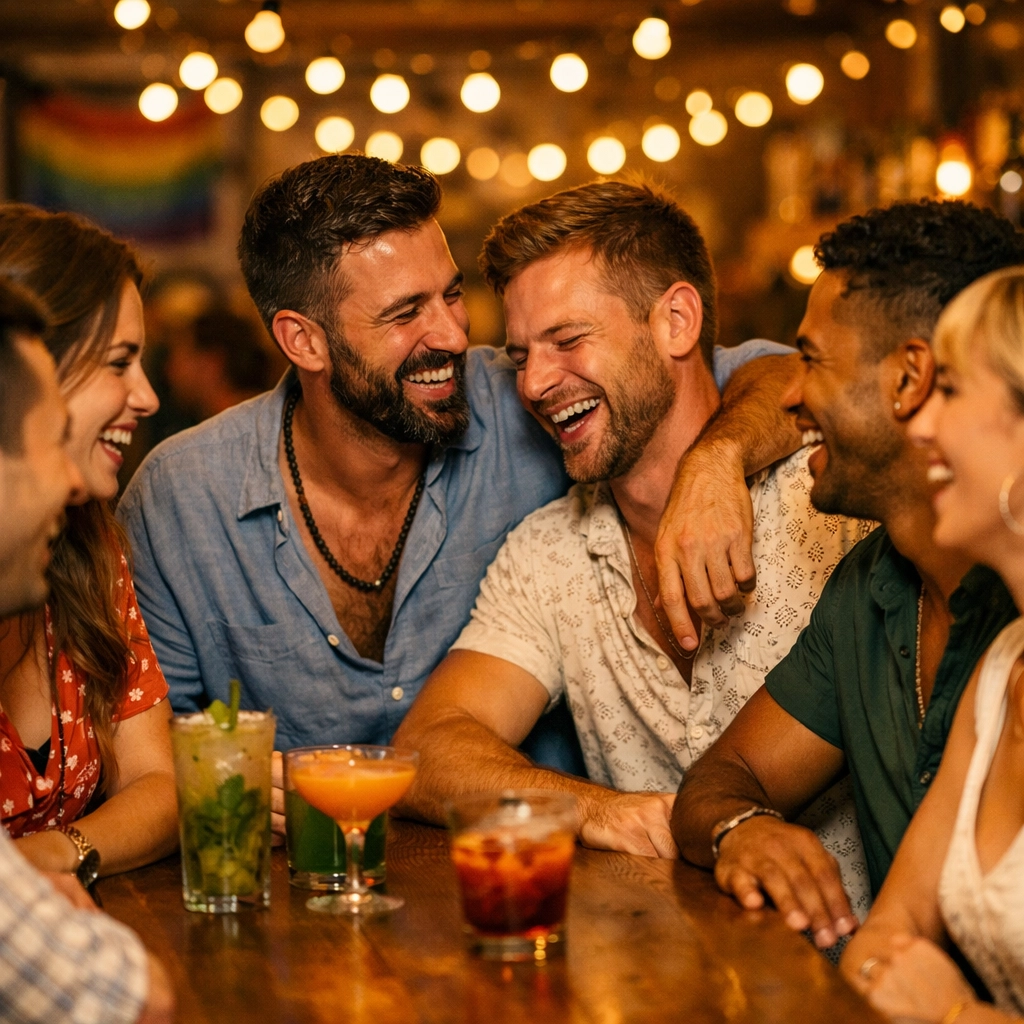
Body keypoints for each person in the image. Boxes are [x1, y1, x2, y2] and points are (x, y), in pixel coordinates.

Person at [117, 155, 791, 804]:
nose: (452, 335)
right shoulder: (181, 497)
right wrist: (212, 777)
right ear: (304, 341)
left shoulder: (521, 399)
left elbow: (773, 377)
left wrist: (716, 458)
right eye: (405, 312)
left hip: (520, 861)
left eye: (452, 294)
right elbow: (145, 756)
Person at [391, 179, 871, 915]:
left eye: (567, 341)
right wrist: (594, 810)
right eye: (520, 357)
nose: (536, 384)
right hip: (663, 967)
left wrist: (717, 459)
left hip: (858, 961)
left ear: (677, 321)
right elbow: (426, 748)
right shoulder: (549, 553)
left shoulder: (831, 503)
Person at [672, 200, 1024, 953]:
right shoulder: (873, 582)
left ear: (910, 378)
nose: (789, 394)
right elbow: (722, 777)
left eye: (812, 359)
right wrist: (745, 828)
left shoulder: (1005, 610)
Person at [840, 267, 1024, 1024]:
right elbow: (889, 930)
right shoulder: (1003, 668)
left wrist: (955, 1016)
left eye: (948, 390)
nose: (917, 426)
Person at [0, 275, 173, 1024]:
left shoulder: (87, 546)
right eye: (119, 361)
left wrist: (53, 854)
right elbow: (133, 998)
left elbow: (160, 785)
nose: (148, 396)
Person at [163, 307, 275, 421]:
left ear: (211, 363)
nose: (169, 369)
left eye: (181, 357)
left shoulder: (233, 425)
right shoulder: (265, 414)